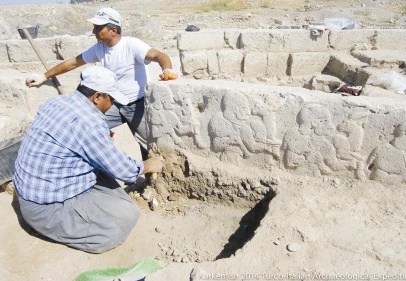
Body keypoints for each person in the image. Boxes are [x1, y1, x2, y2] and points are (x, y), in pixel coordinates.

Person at [14, 66, 164, 254]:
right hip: (45, 208)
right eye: (112, 99)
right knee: (127, 217)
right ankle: (54, 230)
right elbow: (124, 170)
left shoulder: (56, 101)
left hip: (34, 190)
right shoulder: (89, 122)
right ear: (98, 97)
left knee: (105, 174)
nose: (112, 105)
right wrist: (149, 165)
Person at [26, 7, 178, 160]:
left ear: (113, 30)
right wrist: (44, 76)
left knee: (149, 144)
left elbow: (159, 55)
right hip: (113, 103)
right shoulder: (99, 48)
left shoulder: (131, 45)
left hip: (137, 104)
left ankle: (151, 180)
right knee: (89, 130)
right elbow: (73, 62)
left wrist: (167, 70)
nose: (94, 31)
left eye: (98, 28)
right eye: (94, 27)